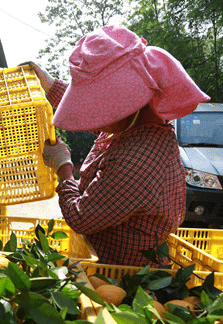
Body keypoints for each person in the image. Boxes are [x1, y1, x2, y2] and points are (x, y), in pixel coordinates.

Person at [31, 25, 210, 266]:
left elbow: (81, 217)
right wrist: (51, 85)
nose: (97, 117)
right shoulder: (134, 124)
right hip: (104, 260)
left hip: (125, 275)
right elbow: (98, 119)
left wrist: (63, 166)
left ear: (126, 104)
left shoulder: (138, 158)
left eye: (102, 107)